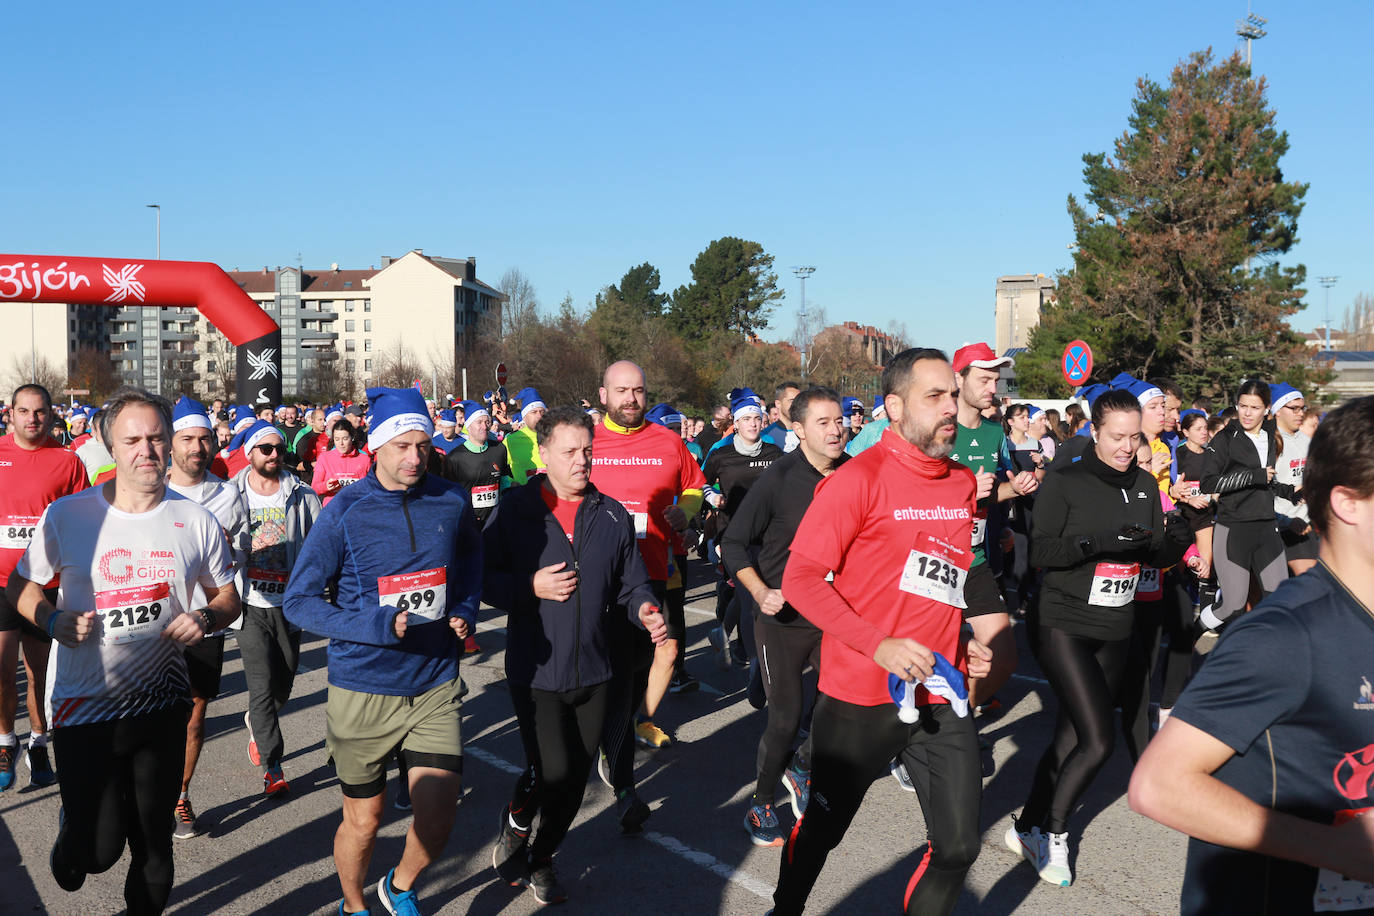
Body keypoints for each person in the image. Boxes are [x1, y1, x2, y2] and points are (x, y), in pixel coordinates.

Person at [1129, 395, 1374, 915]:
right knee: (1233, 597)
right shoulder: (1284, 636)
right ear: (1348, 503)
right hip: (1268, 898)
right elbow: (1159, 786)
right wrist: (1340, 849)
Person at [770, 348, 992, 916]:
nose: (952, 406)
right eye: (935, 396)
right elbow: (799, 580)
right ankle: (785, 907)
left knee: (961, 845)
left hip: (940, 693)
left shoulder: (962, 484)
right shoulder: (856, 481)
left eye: (953, 393)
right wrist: (879, 644)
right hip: (859, 698)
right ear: (894, 407)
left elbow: (941, 578)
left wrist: (961, 637)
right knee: (823, 831)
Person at [8, 386, 238, 915]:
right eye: (132, 440)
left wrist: (204, 617)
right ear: (109, 445)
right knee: (97, 851)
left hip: (162, 703)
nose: (147, 451)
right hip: (83, 708)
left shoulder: (195, 519)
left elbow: (227, 594)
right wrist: (51, 617)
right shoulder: (69, 516)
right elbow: (19, 586)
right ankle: (74, 834)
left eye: (157, 438)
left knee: (155, 841)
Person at [284, 386, 482, 916]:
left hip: (433, 679)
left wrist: (464, 603)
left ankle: (399, 885)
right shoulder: (344, 510)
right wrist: (373, 624)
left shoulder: (450, 500)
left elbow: (469, 560)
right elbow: (298, 602)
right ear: (375, 447)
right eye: (402, 446)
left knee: (439, 815)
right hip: (363, 687)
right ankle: (354, 905)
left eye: (422, 445)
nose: (415, 457)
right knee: (365, 820)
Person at [1005, 389, 1189, 888]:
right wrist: (1096, 543)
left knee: (1070, 736)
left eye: (1135, 437)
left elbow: (1153, 555)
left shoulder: (1148, 487)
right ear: (1094, 432)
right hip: (1063, 621)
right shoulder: (1066, 481)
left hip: (1116, 625)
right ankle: (1054, 834)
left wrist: (1181, 535)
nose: (1128, 446)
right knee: (1099, 739)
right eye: (1118, 437)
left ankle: (1026, 826)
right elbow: (1041, 549)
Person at [484, 407, 667, 904]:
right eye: (570, 452)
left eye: (588, 450)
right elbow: (480, 578)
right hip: (537, 671)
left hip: (597, 670)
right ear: (543, 455)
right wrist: (530, 585)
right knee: (553, 772)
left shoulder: (611, 514)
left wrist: (646, 607)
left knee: (572, 780)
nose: (582, 461)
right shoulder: (517, 509)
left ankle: (542, 857)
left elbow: (632, 583)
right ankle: (519, 818)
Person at [722, 386, 847, 846]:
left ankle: (802, 765)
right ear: (797, 429)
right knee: (786, 718)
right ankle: (760, 804)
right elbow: (733, 543)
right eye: (823, 422)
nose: (836, 430)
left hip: (835, 615)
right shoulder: (777, 479)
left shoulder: (854, 475)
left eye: (840, 421)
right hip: (783, 618)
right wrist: (759, 591)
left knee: (842, 711)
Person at [589, 360, 705, 829]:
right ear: (603, 394)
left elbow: (695, 485)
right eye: (622, 391)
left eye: (638, 390)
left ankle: (617, 749)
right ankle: (619, 774)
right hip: (595, 580)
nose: (631, 399)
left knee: (635, 674)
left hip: (651, 574)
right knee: (602, 677)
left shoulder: (668, 441)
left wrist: (686, 511)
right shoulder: (587, 441)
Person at [165, 396, 250, 840]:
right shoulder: (152, 488)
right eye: (188, 439)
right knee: (147, 713)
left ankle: (179, 794)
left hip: (204, 619)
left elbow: (235, 558)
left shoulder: (228, 493)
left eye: (204, 438)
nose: (197, 447)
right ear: (171, 443)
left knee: (195, 714)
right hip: (153, 619)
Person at [0, 384, 88, 791]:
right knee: (2, 669)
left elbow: (82, 523)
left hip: (45, 585)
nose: (32, 419)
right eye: (24, 411)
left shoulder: (67, 461)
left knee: (39, 672)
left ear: (52, 415)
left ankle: (38, 740)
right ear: (10, 414)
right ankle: (5, 741)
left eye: (40, 412)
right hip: (1, 583)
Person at [231, 420, 322, 796]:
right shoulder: (230, 494)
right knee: (261, 684)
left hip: (290, 602)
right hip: (249, 602)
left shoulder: (302, 494)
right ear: (250, 452)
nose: (273, 455)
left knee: (283, 682)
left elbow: (320, 543)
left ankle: (257, 719)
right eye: (265, 449)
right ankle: (273, 765)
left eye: (278, 449)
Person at [1197, 379, 1294, 635]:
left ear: (1266, 409)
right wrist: (1253, 476)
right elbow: (1208, 483)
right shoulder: (1225, 439)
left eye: (1254, 407)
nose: (1247, 413)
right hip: (1234, 529)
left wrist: (1291, 492)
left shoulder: (1270, 436)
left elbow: (1268, 480)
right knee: (1232, 606)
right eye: (1242, 406)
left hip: (1266, 528)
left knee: (1280, 602)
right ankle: (1188, 640)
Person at [703, 388, 783, 693]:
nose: (752, 423)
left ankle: (722, 633)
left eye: (756, 419)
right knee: (751, 599)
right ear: (736, 423)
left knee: (749, 593)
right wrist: (713, 498)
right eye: (746, 419)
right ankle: (754, 665)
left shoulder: (774, 454)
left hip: (767, 535)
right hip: (733, 536)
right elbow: (700, 483)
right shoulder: (722, 454)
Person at [1270, 383, 1317, 576]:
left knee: (1311, 586)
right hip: (1275, 526)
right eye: (1294, 408)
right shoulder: (1270, 442)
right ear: (1278, 411)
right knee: (1259, 597)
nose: (1300, 413)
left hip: (1303, 526)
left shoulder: (1307, 441)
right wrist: (1284, 519)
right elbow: (1264, 487)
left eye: (1302, 408)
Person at [312, 419, 372, 507]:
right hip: (332, 511)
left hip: (357, 510)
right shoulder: (324, 458)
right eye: (337, 439)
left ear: (352, 438)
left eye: (345, 439)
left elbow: (373, 487)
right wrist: (326, 486)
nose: (341, 443)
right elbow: (314, 487)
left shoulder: (364, 459)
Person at [505, 387, 547, 483]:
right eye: (534, 412)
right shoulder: (510, 441)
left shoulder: (556, 437)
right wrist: (509, 487)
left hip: (553, 496)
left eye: (542, 412)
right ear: (524, 416)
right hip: (524, 496)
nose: (539, 416)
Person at [761, 382, 801, 451]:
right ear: (778, 404)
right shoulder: (765, 436)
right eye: (792, 401)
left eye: (799, 401)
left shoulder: (807, 433)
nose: (797, 405)